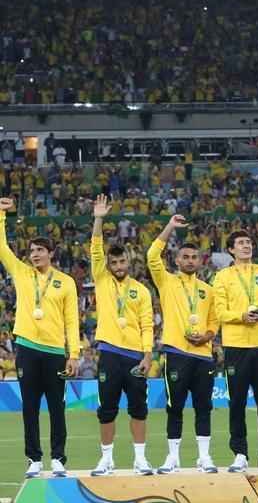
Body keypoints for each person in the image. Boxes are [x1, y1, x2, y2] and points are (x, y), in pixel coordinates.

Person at [0, 196, 79, 478]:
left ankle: (58, 458)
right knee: (30, 407)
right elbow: (1, 248)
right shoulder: (22, 273)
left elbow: (72, 320)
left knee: (57, 407)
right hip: (27, 349)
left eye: (40, 250)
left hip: (55, 351)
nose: (34, 254)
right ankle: (34, 459)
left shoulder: (65, 282)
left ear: (51, 253)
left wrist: (75, 354)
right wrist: (1, 215)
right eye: (32, 250)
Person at [147, 215, 221, 474]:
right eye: (185, 257)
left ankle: (204, 457)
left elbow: (215, 320)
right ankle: (173, 458)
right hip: (177, 352)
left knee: (204, 407)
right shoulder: (166, 281)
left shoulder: (208, 290)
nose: (190, 261)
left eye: (194, 257)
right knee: (174, 406)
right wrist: (169, 227)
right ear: (177, 260)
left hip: (203, 355)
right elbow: (152, 257)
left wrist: (208, 336)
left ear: (200, 261)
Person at [89, 195, 155, 477]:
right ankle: (107, 459)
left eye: (121, 262)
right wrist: (99, 219)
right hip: (109, 353)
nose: (118, 266)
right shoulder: (102, 279)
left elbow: (147, 324)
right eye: (113, 262)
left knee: (138, 408)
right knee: (107, 409)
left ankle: (140, 459)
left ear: (128, 262)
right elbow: (94, 250)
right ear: (108, 265)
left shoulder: (140, 290)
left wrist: (148, 355)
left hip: (135, 357)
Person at [212, 228, 258, 474]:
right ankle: (240, 453)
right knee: (237, 403)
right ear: (231, 249)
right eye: (240, 243)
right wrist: (242, 317)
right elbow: (220, 312)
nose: (246, 246)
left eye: (249, 241)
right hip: (235, 346)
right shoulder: (222, 277)